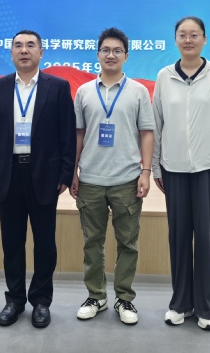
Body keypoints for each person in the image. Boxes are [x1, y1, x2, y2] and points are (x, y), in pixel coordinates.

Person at [0, 30, 76, 329]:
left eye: (30, 45)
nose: (24, 50)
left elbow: (66, 133)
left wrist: (65, 174)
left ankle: (41, 301)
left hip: (45, 175)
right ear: (11, 52)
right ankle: (14, 299)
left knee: (45, 243)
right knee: (12, 242)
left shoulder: (58, 87)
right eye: (18, 46)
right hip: (8, 174)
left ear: (41, 52)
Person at [152, 16, 210, 331]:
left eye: (194, 35)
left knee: (206, 239)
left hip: (208, 169)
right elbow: (156, 124)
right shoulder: (164, 76)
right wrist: (156, 165)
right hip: (173, 169)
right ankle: (180, 304)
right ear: (175, 40)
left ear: (204, 39)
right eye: (182, 35)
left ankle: (205, 308)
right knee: (178, 237)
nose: (188, 40)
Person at [70, 27, 155, 325]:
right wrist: (73, 171)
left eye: (117, 51)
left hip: (127, 180)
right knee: (91, 242)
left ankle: (124, 298)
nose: (111, 55)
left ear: (126, 56)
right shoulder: (84, 92)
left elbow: (147, 133)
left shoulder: (138, 91)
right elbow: (78, 134)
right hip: (91, 179)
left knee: (128, 243)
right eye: (105, 50)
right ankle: (96, 296)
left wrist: (146, 172)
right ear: (97, 54)